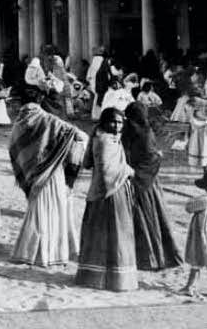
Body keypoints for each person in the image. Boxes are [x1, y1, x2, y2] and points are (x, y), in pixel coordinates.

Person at [8, 84, 86, 267]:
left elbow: (15, 148)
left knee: (36, 210)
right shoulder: (49, 120)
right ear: (39, 101)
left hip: (33, 176)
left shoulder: (19, 121)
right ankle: (52, 253)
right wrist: (66, 160)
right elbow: (80, 137)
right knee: (54, 211)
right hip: (52, 173)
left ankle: (29, 252)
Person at [75, 107, 138, 292]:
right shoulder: (104, 140)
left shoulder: (104, 137)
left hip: (105, 191)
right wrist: (129, 171)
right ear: (104, 122)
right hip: (108, 193)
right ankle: (109, 279)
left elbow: (88, 163)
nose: (117, 125)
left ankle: (97, 277)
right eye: (113, 121)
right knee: (115, 234)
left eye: (120, 122)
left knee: (105, 235)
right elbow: (106, 171)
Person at [121, 101, 182, 271]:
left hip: (138, 180)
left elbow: (149, 157)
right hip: (136, 178)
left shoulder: (137, 132)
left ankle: (148, 259)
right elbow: (148, 156)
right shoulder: (136, 131)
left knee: (145, 218)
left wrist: (134, 174)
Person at [179, 174, 207, 297]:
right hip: (203, 234)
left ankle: (189, 286)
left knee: (197, 261)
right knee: (199, 261)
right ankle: (189, 286)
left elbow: (189, 207)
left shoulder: (203, 200)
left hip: (202, 235)